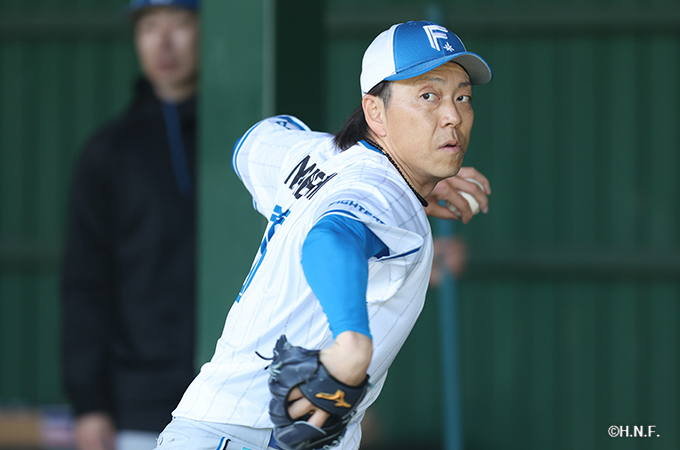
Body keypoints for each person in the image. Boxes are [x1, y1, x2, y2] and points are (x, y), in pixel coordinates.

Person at [153, 20, 492, 450]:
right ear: (375, 112)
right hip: (250, 437)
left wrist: (413, 178)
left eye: (463, 97)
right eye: (428, 96)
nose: (453, 116)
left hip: (208, 426)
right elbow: (331, 238)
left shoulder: (318, 154)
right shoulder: (385, 192)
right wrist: (352, 341)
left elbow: (250, 144)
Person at [60, 1, 200, 450]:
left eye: (179, 24)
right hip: (139, 408)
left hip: (247, 399)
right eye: (149, 27)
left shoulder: (256, 143)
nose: (164, 43)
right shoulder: (109, 152)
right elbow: (85, 283)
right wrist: (89, 404)